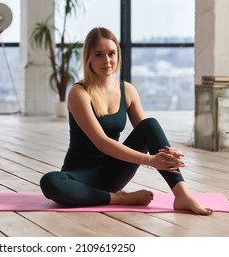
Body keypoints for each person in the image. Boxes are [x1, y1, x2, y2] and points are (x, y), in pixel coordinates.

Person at [40, 27, 213, 215]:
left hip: (114, 173)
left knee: (150, 124)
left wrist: (169, 153)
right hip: (80, 176)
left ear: (118, 55)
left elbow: (149, 133)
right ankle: (120, 198)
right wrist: (150, 160)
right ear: (89, 57)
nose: (107, 61)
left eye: (111, 54)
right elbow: (102, 143)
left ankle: (182, 195)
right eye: (99, 54)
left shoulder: (127, 90)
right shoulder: (79, 93)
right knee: (50, 182)